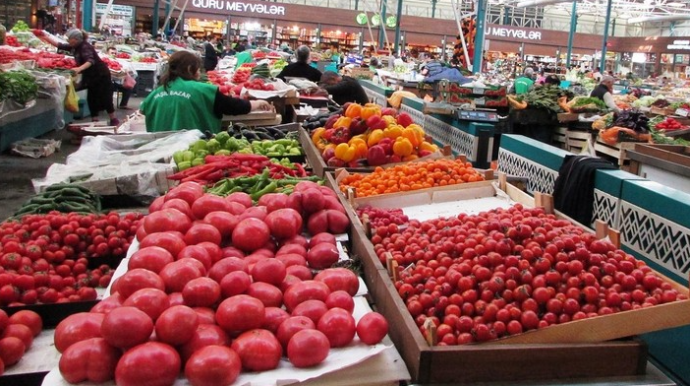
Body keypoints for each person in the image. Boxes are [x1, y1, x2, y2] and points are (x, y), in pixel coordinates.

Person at [140, 51, 274, 133]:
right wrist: (258, 103)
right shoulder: (204, 90)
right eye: (198, 69)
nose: (199, 73)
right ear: (189, 68)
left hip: (160, 153)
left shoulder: (154, 94)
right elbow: (233, 106)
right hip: (193, 151)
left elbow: (143, 113)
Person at [48, 29, 119, 126]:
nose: (68, 41)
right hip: (90, 75)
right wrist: (43, 36)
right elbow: (59, 45)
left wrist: (79, 68)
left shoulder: (85, 47)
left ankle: (113, 119)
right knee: (92, 97)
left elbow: (90, 61)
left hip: (101, 74)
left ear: (76, 39)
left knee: (105, 97)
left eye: (70, 39)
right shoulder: (75, 46)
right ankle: (95, 121)